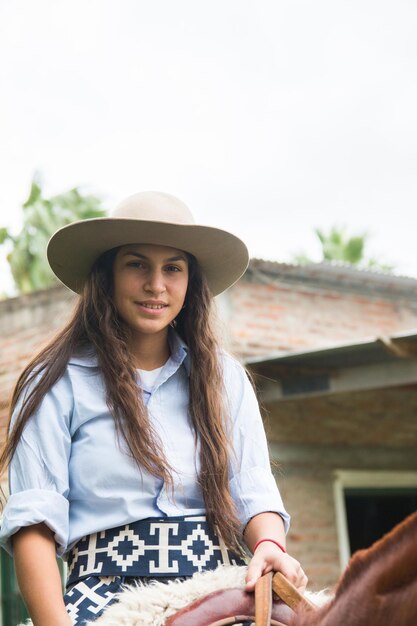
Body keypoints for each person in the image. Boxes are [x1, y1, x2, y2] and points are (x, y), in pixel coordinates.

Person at [0, 191, 307, 626]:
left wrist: (270, 547)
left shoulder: (226, 378)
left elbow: (252, 490)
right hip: (104, 595)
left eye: (173, 268)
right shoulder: (54, 382)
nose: (156, 285)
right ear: (107, 274)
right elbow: (35, 526)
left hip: (221, 584)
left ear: (190, 281)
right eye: (137, 264)